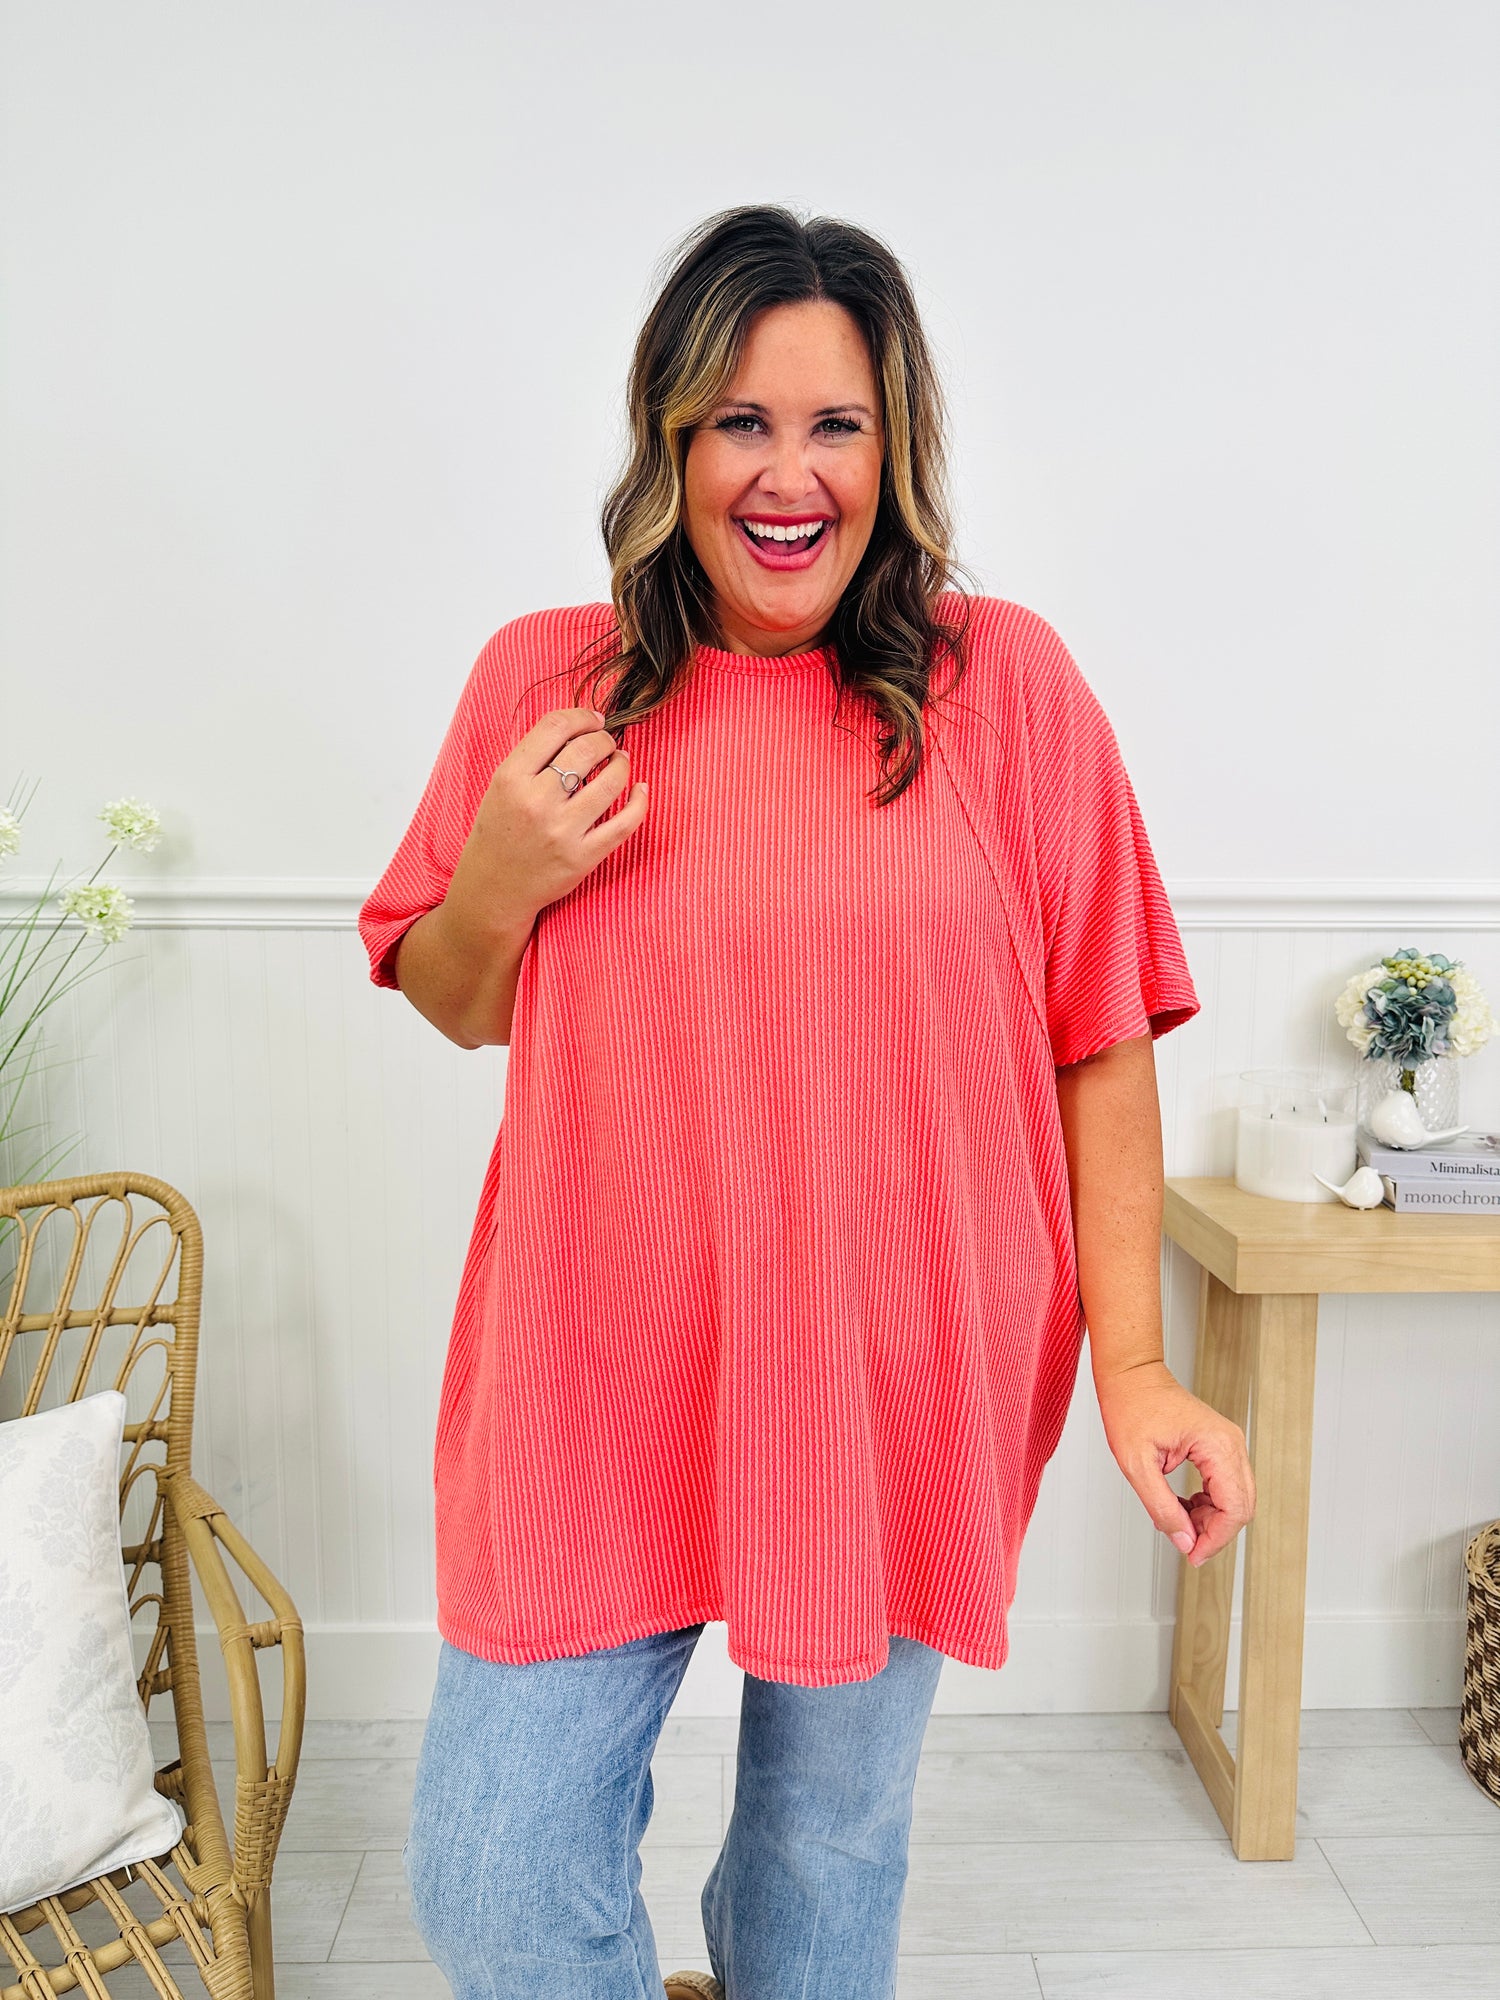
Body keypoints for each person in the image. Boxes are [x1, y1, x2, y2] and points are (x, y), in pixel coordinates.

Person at [357, 204, 1255, 2000]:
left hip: (902, 1360)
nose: (790, 475)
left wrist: (1139, 1367)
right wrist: (502, 880)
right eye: (739, 423)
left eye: (836, 423)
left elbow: (1099, 1034)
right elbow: (456, 1001)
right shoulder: (544, 681)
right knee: (494, 1882)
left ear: (895, 448)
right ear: (669, 443)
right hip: (592, 1363)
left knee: (824, 1857)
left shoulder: (1007, 689)